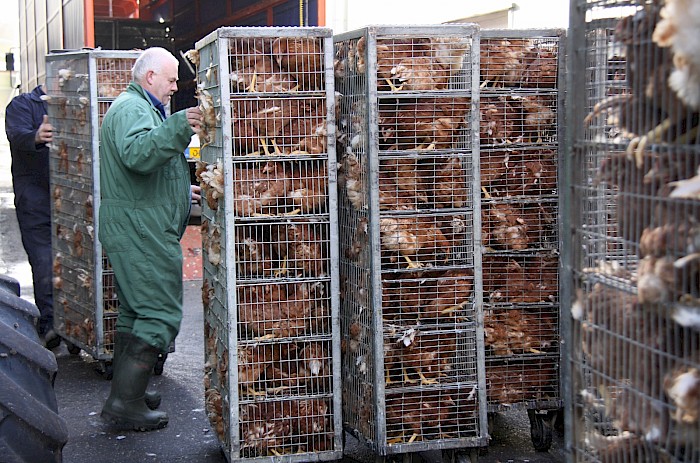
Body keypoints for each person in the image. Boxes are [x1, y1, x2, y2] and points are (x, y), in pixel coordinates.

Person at [98, 47, 203, 431]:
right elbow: (139, 155)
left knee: (135, 312)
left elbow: (145, 167)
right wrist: (179, 126)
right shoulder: (131, 109)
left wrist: (180, 192)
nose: (176, 88)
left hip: (137, 221)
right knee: (158, 314)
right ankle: (124, 402)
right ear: (150, 77)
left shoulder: (139, 107)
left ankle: (129, 393)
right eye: (172, 80)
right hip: (139, 229)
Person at [5, 84, 59, 349]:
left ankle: (73, 321)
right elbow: (16, 135)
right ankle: (50, 323)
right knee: (44, 261)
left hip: (69, 200)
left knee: (74, 261)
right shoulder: (22, 105)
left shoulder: (72, 105)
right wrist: (37, 136)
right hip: (35, 201)